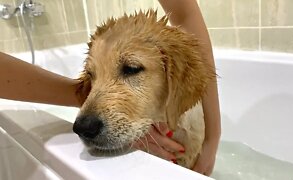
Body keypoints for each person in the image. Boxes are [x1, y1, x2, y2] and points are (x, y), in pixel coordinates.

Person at [0, 0, 220, 176]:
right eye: (92, 77)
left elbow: (185, 14)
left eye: (131, 69)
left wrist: (212, 136)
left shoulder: (185, 79)